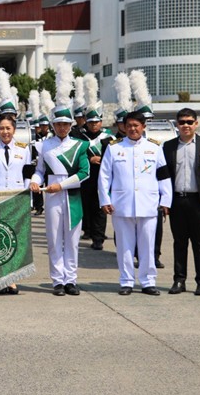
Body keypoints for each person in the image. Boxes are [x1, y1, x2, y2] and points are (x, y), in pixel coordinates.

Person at [98, 111, 172, 296]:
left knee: (148, 245)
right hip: (121, 205)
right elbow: (104, 176)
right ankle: (126, 281)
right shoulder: (114, 148)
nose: (132, 129)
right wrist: (105, 199)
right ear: (124, 127)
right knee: (124, 246)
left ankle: (148, 281)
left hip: (148, 204)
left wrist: (166, 200)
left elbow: (163, 176)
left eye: (136, 125)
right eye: (129, 125)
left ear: (143, 127)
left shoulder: (155, 147)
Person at [31, 108, 89, 296]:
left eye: (65, 124)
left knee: (72, 241)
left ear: (71, 125)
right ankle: (57, 281)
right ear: (53, 125)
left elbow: (85, 172)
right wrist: (34, 181)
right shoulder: (44, 146)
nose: (62, 127)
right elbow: (40, 171)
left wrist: (61, 186)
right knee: (54, 239)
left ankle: (70, 280)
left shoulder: (80, 145)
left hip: (72, 196)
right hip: (51, 196)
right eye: (58, 124)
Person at [162, 108, 200, 296]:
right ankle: (179, 280)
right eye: (182, 122)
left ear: (196, 124)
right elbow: (163, 176)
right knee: (179, 242)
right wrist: (164, 201)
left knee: (199, 242)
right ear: (176, 125)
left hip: (198, 202)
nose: (185, 125)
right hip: (177, 201)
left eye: (189, 122)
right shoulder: (168, 147)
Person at [0, 114, 34, 294]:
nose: (5, 132)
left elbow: (28, 176)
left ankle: (12, 279)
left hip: (16, 199)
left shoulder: (24, 150)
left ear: (14, 130)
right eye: (1, 128)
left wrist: (27, 200)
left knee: (13, 240)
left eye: (8, 128)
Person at [71, 107, 114, 250]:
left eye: (97, 122)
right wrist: (90, 159)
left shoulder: (108, 138)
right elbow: (74, 155)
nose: (94, 125)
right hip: (85, 177)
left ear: (101, 122)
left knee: (100, 208)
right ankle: (87, 230)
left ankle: (98, 238)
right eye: (91, 122)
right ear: (86, 123)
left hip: (102, 176)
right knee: (85, 206)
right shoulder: (79, 137)